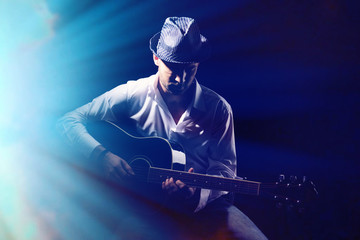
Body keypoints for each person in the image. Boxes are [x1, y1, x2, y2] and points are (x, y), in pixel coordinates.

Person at [57, 16, 267, 240]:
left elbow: (225, 171)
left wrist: (196, 194)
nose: (181, 78)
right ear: (157, 58)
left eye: (190, 69)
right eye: (173, 68)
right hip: (146, 206)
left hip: (206, 207)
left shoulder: (218, 108)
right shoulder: (132, 94)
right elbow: (68, 120)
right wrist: (102, 155)